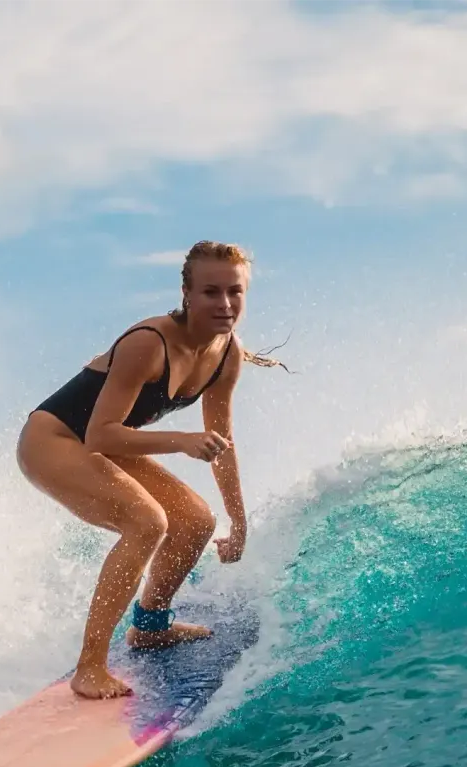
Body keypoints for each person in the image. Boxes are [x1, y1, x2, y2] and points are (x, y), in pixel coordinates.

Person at [17, 240, 281, 699]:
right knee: (146, 522)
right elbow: (100, 434)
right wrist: (180, 442)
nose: (224, 304)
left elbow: (222, 443)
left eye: (234, 292)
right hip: (53, 440)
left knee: (196, 521)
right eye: (210, 292)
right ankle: (90, 668)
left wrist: (238, 519)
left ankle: (151, 626)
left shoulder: (225, 354)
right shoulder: (148, 343)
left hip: (104, 444)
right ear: (186, 293)